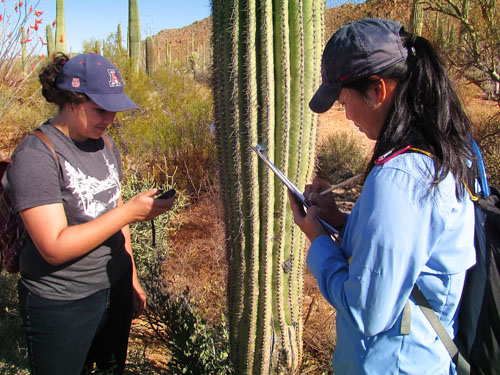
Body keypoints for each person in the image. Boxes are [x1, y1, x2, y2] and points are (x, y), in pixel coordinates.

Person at [289, 18, 477, 374]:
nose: (345, 115)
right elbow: (408, 252)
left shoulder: (402, 178)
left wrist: (318, 241)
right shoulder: (442, 152)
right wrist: (340, 221)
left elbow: (367, 311)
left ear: (378, 90)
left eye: (344, 101)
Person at [6, 53, 175, 374]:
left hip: (114, 287)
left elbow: (115, 215)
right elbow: (54, 247)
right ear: (71, 101)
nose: (110, 118)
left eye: (114, 109)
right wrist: (128, 213)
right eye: (100, 109)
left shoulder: (106, 146)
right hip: (62, 300)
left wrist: (132, 277)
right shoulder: (36, 154)